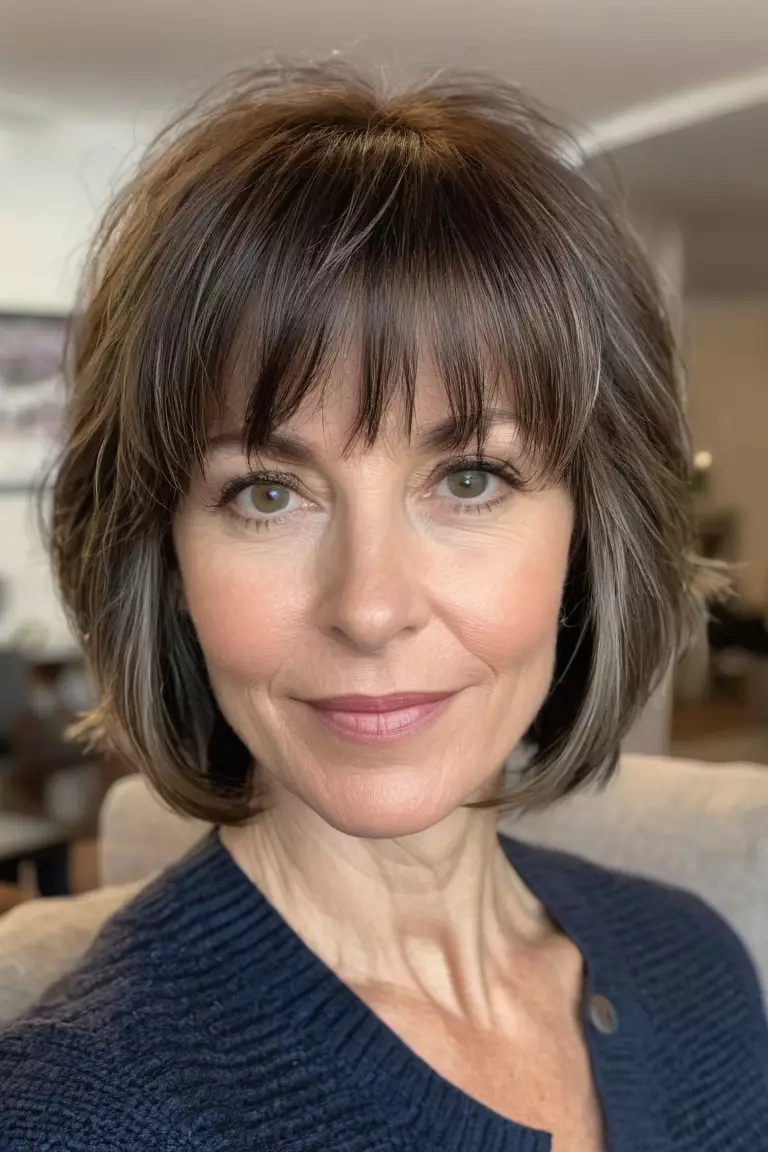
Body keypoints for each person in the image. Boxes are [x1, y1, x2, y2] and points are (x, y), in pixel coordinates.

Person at [0, 59, 766, 1151]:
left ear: (593, 533)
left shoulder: (698, 970)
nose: (368, 607)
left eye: (468, 479)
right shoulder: (72, 1119)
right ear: (163, 556)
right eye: (267, 492)